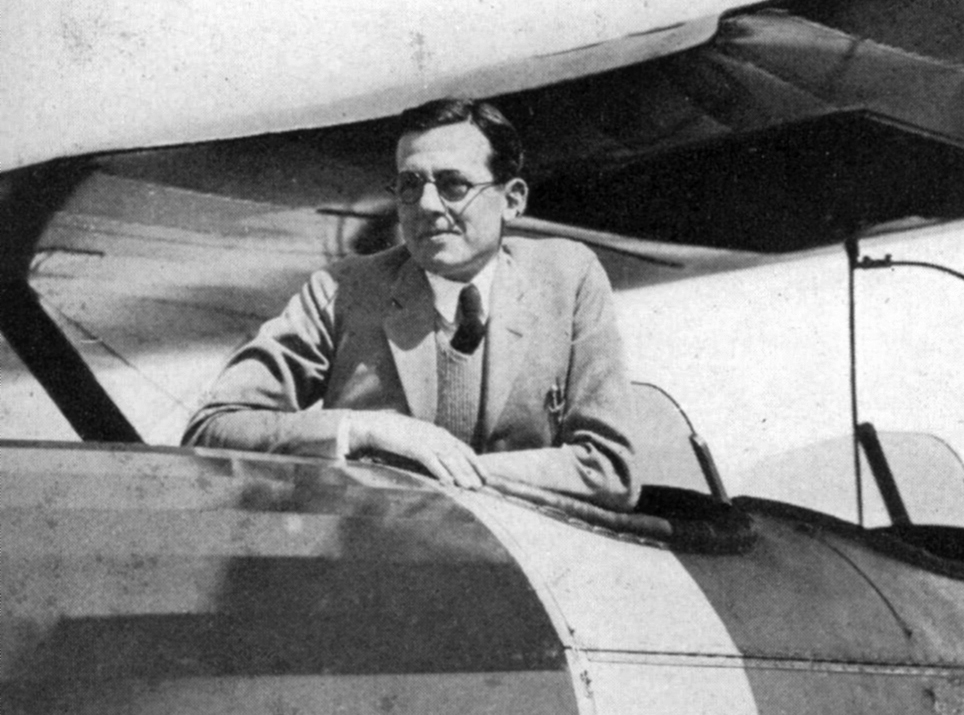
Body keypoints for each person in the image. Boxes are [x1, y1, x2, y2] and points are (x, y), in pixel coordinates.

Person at [182, 98, 638, 511]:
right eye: (409, 185)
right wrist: (364, 431)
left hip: (527, 572)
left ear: (513, 200)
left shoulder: (568, 278)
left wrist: (431, 471)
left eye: (454, 185)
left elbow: (608, 469)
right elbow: (212, 428)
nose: (426, 204)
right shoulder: (341, 290)